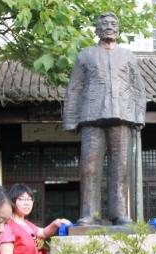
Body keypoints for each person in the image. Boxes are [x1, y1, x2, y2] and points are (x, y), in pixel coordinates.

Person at [63, 12, 146, 226]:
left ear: (118, 29)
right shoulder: (86, 55)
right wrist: (70, 120)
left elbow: (138, 88)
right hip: (92, 116)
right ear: (97, 29)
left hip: (122, 115)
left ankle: (119, 213)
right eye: (105, 24)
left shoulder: (128, 56)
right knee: (89, 166)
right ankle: (90, 214)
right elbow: (75, 88)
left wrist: (139, 116)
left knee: (121, 166)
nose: (109, 27)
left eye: (113, 23)